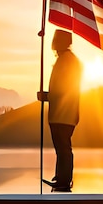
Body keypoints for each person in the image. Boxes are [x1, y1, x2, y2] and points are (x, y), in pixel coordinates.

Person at [38, 29, 82, 192]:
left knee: (63, 147)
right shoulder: (65, 60)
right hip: (61, 114)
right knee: (61, 147)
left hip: (64, 114)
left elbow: (64, 89)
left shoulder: (68, 61)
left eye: (56, 39)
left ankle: (64, 179)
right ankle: (60, 177)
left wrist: (46, 96)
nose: (53, 42)